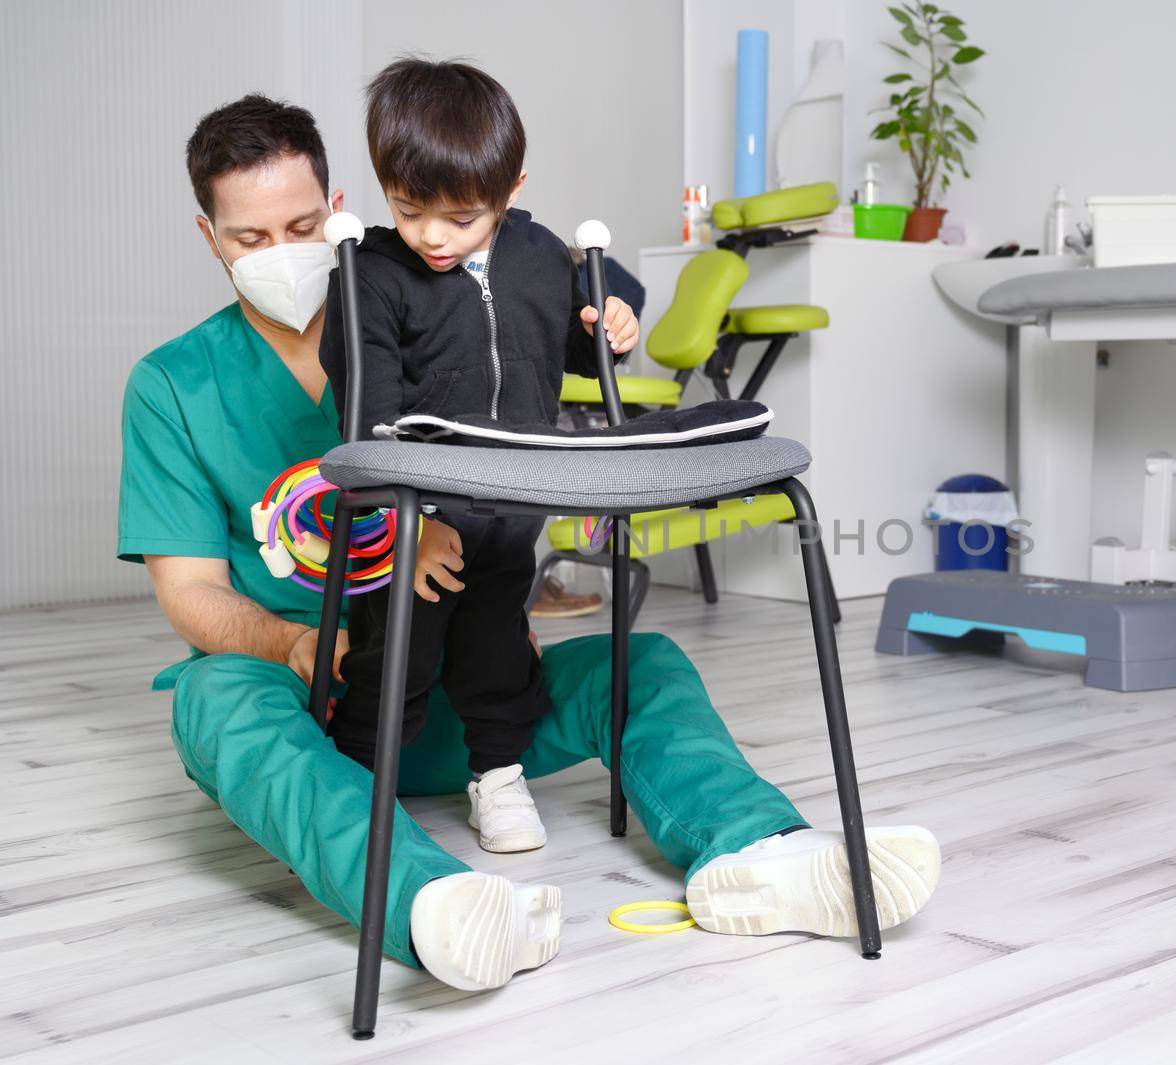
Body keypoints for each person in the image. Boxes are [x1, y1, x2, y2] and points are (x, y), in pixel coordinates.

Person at [117, 92, 940, 994]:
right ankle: (437, 906)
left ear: (343, 205)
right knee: (214, 701)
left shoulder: (444, 303)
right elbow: (188, 592)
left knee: (646, 661)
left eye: (304, 225)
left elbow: (551, 341)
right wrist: (301, 645)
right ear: (209, 238)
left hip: (455, 704)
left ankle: (762, 853)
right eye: (249, 239)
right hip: (311, 698)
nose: (282, 255)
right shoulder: (173, 384)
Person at [319, 59, 633, 858]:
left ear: (511, 189)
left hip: (509, 508)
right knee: (395, 659)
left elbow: (580, 327)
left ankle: (498, 776)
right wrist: (407, 526)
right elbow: (370, 414)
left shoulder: (537, 257)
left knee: (499, 652)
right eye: (408, 207)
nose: (431, 234)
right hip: (414, 519)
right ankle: (356, 786)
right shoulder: (374, 275)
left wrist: (613, 324)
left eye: (460, 217)